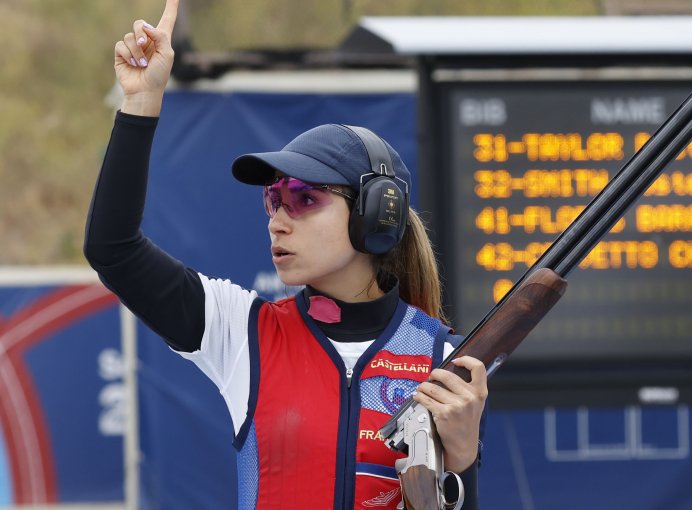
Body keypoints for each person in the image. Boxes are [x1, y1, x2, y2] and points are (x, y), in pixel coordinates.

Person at [83, 1, 488, 508]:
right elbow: (113, 249)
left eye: (303, 197)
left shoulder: (443, 362)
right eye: (273, 199)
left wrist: (464, 454)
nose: (278, 217)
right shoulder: (242, 332)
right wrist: (142, 101)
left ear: (375, 213)